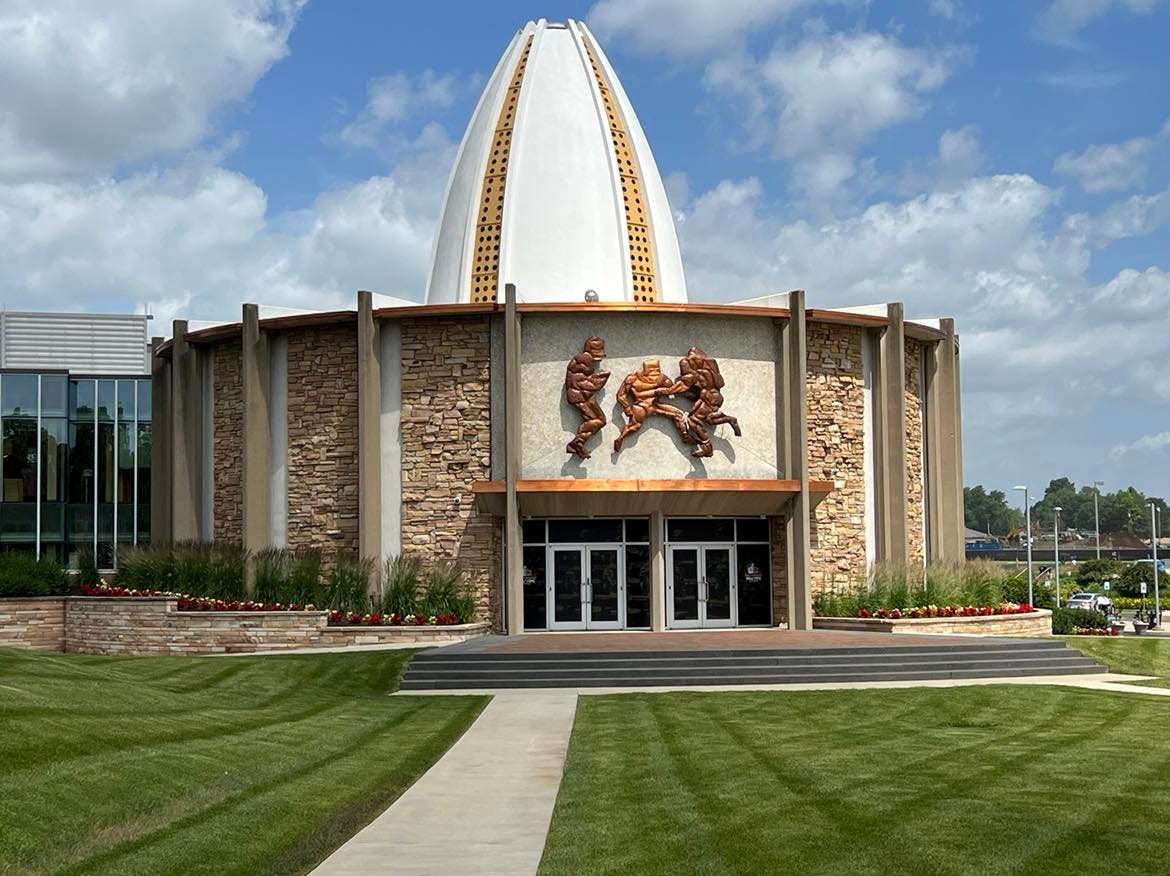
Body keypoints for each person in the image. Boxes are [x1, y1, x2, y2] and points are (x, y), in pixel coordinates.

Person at [564, 336, 611, 458]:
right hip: (580, 396)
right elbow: (586, 384)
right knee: (598, 420)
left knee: (600, 420)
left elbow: (583, 381)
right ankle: (575, 444)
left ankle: (577, 444)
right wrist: (601, 379)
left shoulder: (581, 362)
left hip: (583, 395)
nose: (599, 360)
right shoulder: (584, 361)